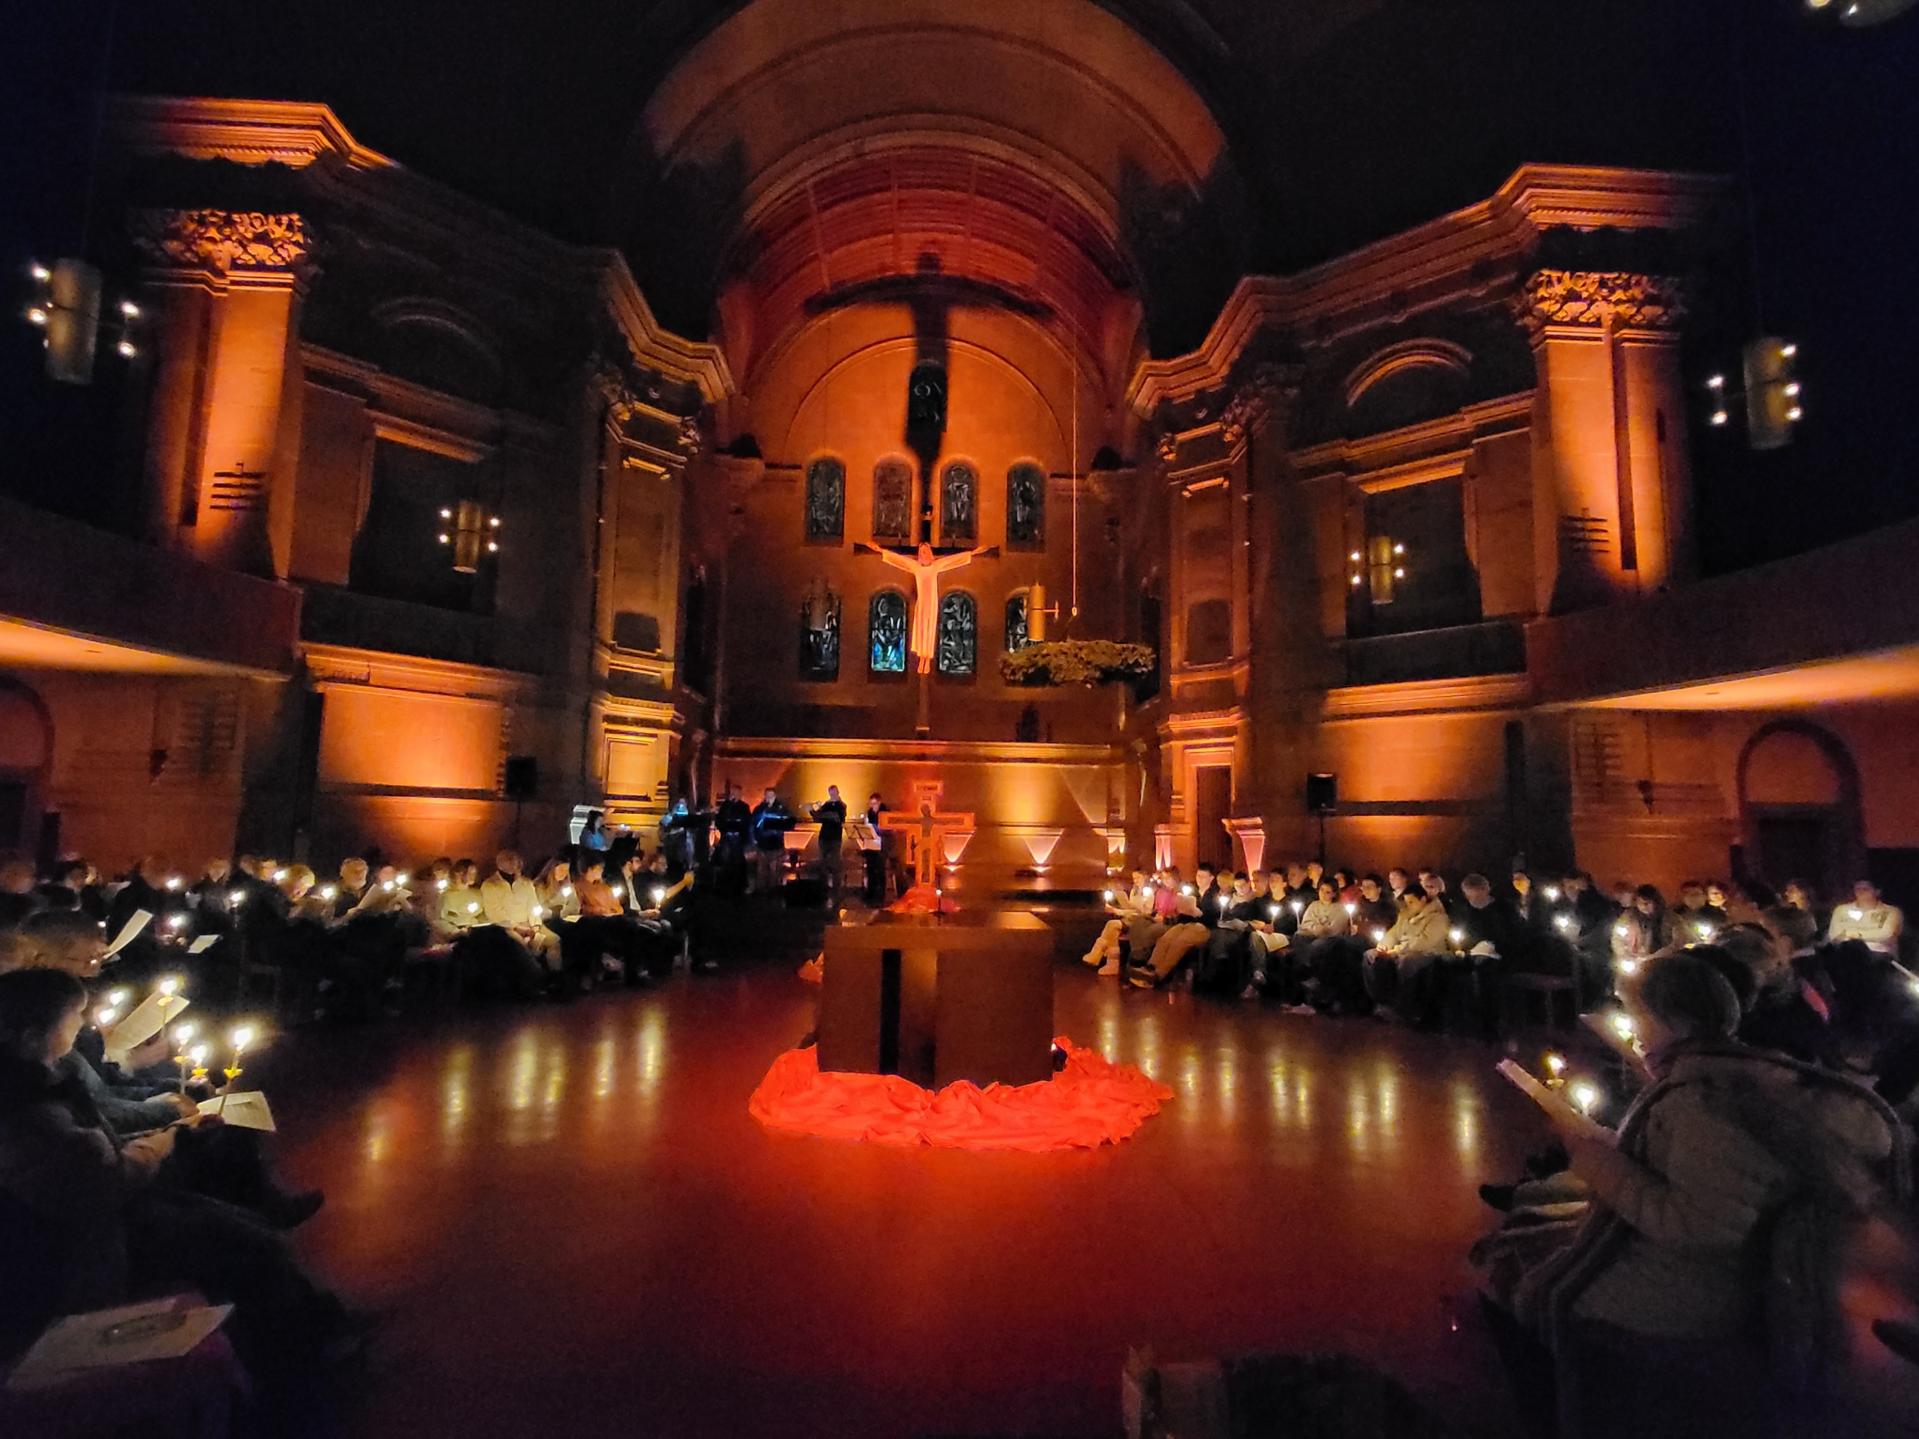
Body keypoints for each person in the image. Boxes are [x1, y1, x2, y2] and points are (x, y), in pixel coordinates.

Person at [1480, 950, 1907, 1438]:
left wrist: (1593, 1157)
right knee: (1535, 1229)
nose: (1629, 1025)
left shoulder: (1706, 1100)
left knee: (1508, 1267)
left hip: (1703, 1292)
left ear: (1673, 1020)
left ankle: (1557, 1415)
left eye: (1636, 1012)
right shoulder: (1747, 1072)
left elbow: (1697, 1227)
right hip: (1738, 1270)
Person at [0, 968, 369, 1384]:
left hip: (108, 1208)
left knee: (244, 1224)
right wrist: (167, 1137)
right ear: (33, 1037)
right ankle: (295, 1361)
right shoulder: (28, 1113)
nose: (84, 1024)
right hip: (83, 1246)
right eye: (74, 1016)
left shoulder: (46, 1078)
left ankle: (309, 1328)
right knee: (241, 1242)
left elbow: (99, 1135)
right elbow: (106, 1180)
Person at [1361, 887, 1451, 1024]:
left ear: (1423, 899)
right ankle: (1382, 1002)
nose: (1408, 905)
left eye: (1411, 901)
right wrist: (1384, 945)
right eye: (1406, 902)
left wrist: (1397, 950)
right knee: (1370, 956)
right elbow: (1394, 933)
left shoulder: (1438, 918)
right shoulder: (1404, 916)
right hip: (1401, 951)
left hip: (1427, 954)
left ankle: (1405, 1009)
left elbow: (1425, 942)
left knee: (1407, 962)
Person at [809, 786, 848, 904]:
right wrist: (811, 810)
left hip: (835, 838)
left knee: (835, 864)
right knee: (822, 863)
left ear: (838, 792)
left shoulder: (842, 805)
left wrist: (824, 813)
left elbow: (839, 818)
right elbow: (817, 818)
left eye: (834, 793)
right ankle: (823, 889)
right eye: (830, 793)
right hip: (824, 838)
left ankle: (837, 891)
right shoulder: (827, 804)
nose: (832, 795)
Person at [712, 784, 753, 895]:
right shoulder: (726, 805)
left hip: (738, 839)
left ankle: (739, 886)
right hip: (726, 838)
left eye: (736, 793)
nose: (734, 795)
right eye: (732, 793)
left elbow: (747, 823)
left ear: (740, 795)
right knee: (725, 862)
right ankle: (725, 886)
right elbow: (719, 820)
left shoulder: (744, 807)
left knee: (739, 863)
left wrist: (745, 839)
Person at [859, 791, 890, 904]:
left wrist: (877, 829)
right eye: (871, 804)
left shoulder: (885, 812)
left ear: (879, 802)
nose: (873, 806)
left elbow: (887, 829)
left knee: (880, 870)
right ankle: (870, 892)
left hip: (882, 844)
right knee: (870, 869)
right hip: (871, 844)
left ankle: (881, 894)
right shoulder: (870, 813)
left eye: (875, 803)